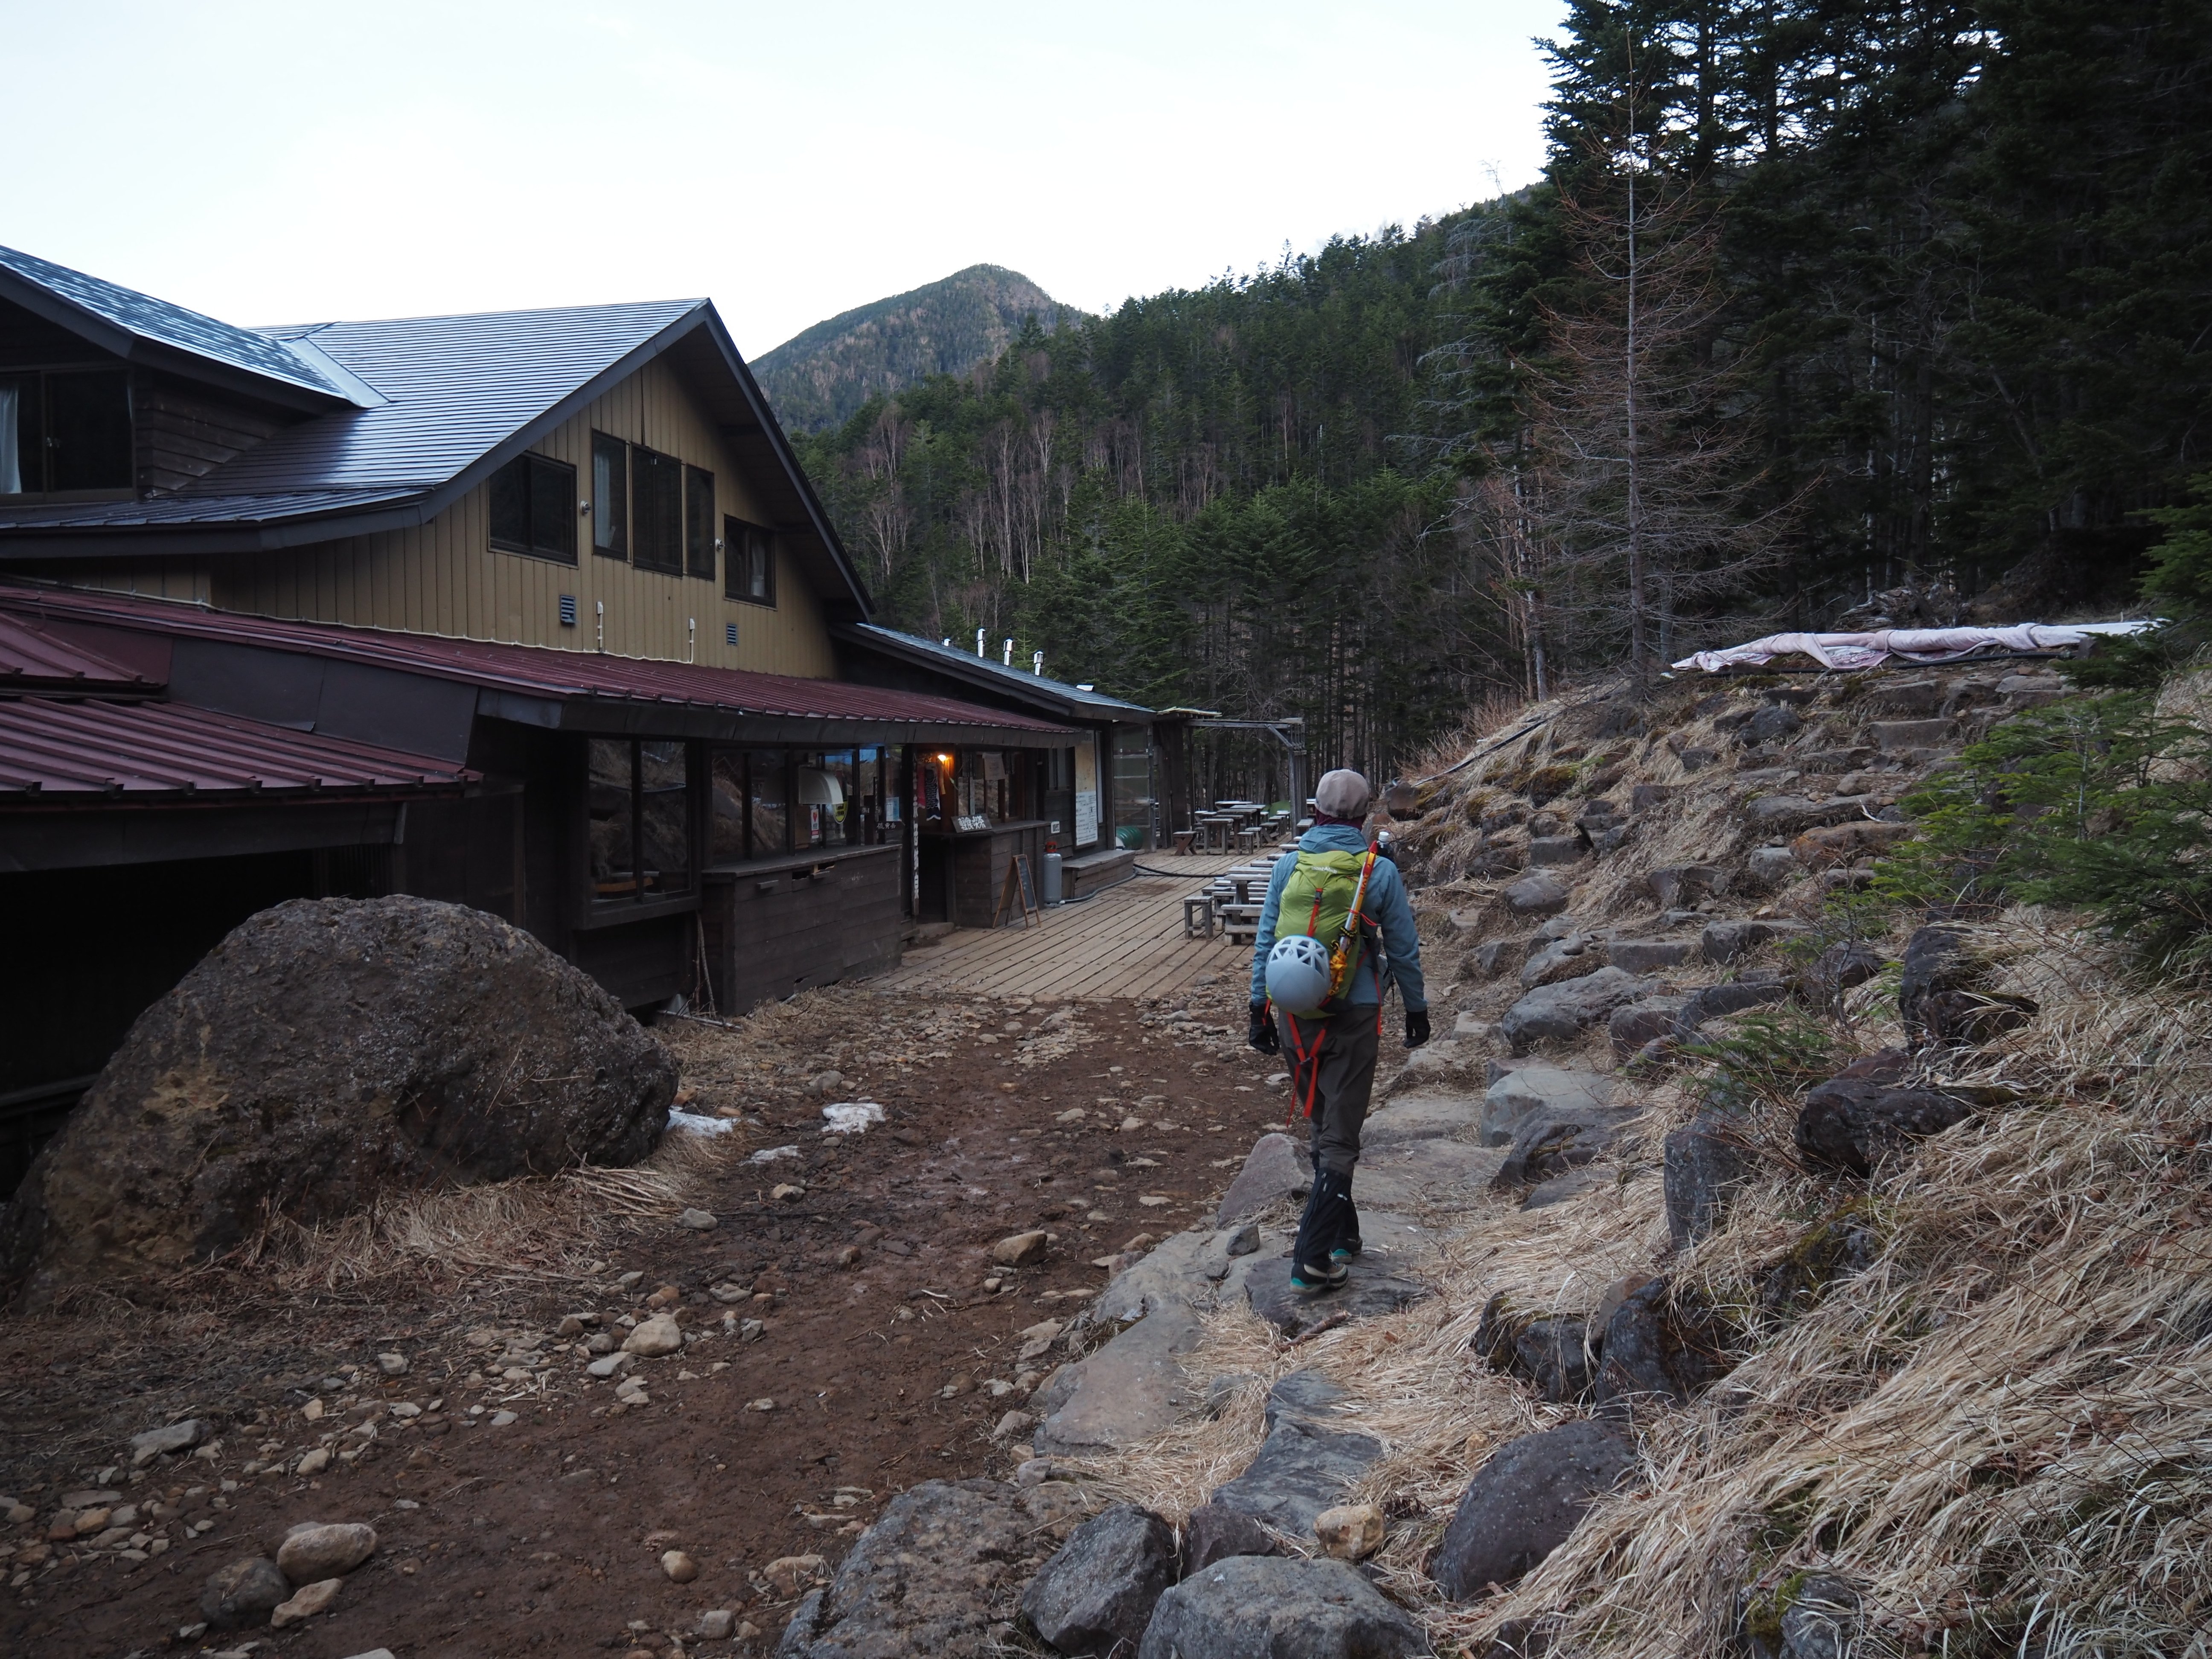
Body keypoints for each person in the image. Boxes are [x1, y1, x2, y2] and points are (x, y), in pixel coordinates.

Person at [1246, 768, 1429, 1292]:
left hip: (1294, 1013)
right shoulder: (1381, 872)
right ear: (1364, 813)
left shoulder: (1289, 865)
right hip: (1356, 1012)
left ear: (1317, 811)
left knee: (1324, 1120)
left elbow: (1265, 943)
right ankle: (1312, 1258)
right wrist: (1416, 1012)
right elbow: (1404, 950)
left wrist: (1258, 1009)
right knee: (1342, 1135)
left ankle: (1343, 1236)